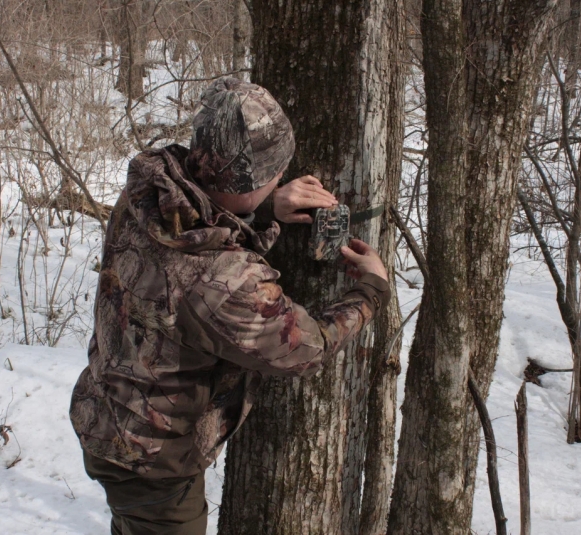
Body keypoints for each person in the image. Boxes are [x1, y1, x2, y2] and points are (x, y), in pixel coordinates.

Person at [69, 77, 390, 535]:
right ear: (253, 180)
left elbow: (196, 229)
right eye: (274, 173)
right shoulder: (226, 280)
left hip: (105, 415)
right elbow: (306, 349)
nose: (282, 177)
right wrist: (371, 291)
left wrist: (257, 211)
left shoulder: (148, 192)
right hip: (152, 463)